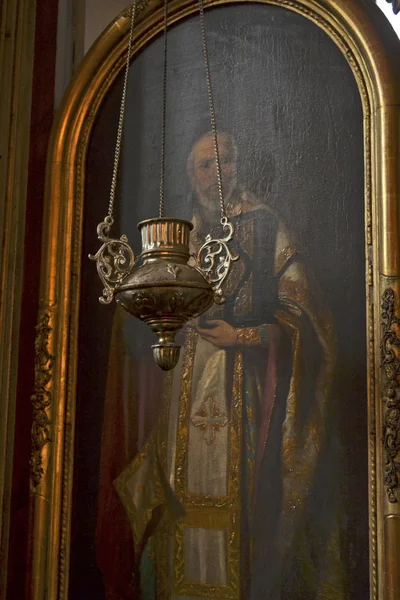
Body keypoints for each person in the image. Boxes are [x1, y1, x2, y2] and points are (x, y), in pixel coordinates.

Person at [97, 132, 343, 599]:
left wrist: (243, 337)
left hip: (244, 396)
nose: (217, 174)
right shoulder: (176, 237)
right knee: (175, 500)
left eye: (225, 161)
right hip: (179, 398)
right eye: (205, 166)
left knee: (241, 507)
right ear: (191, 176)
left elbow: (306, 327)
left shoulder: (270, 227)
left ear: (240, 166)